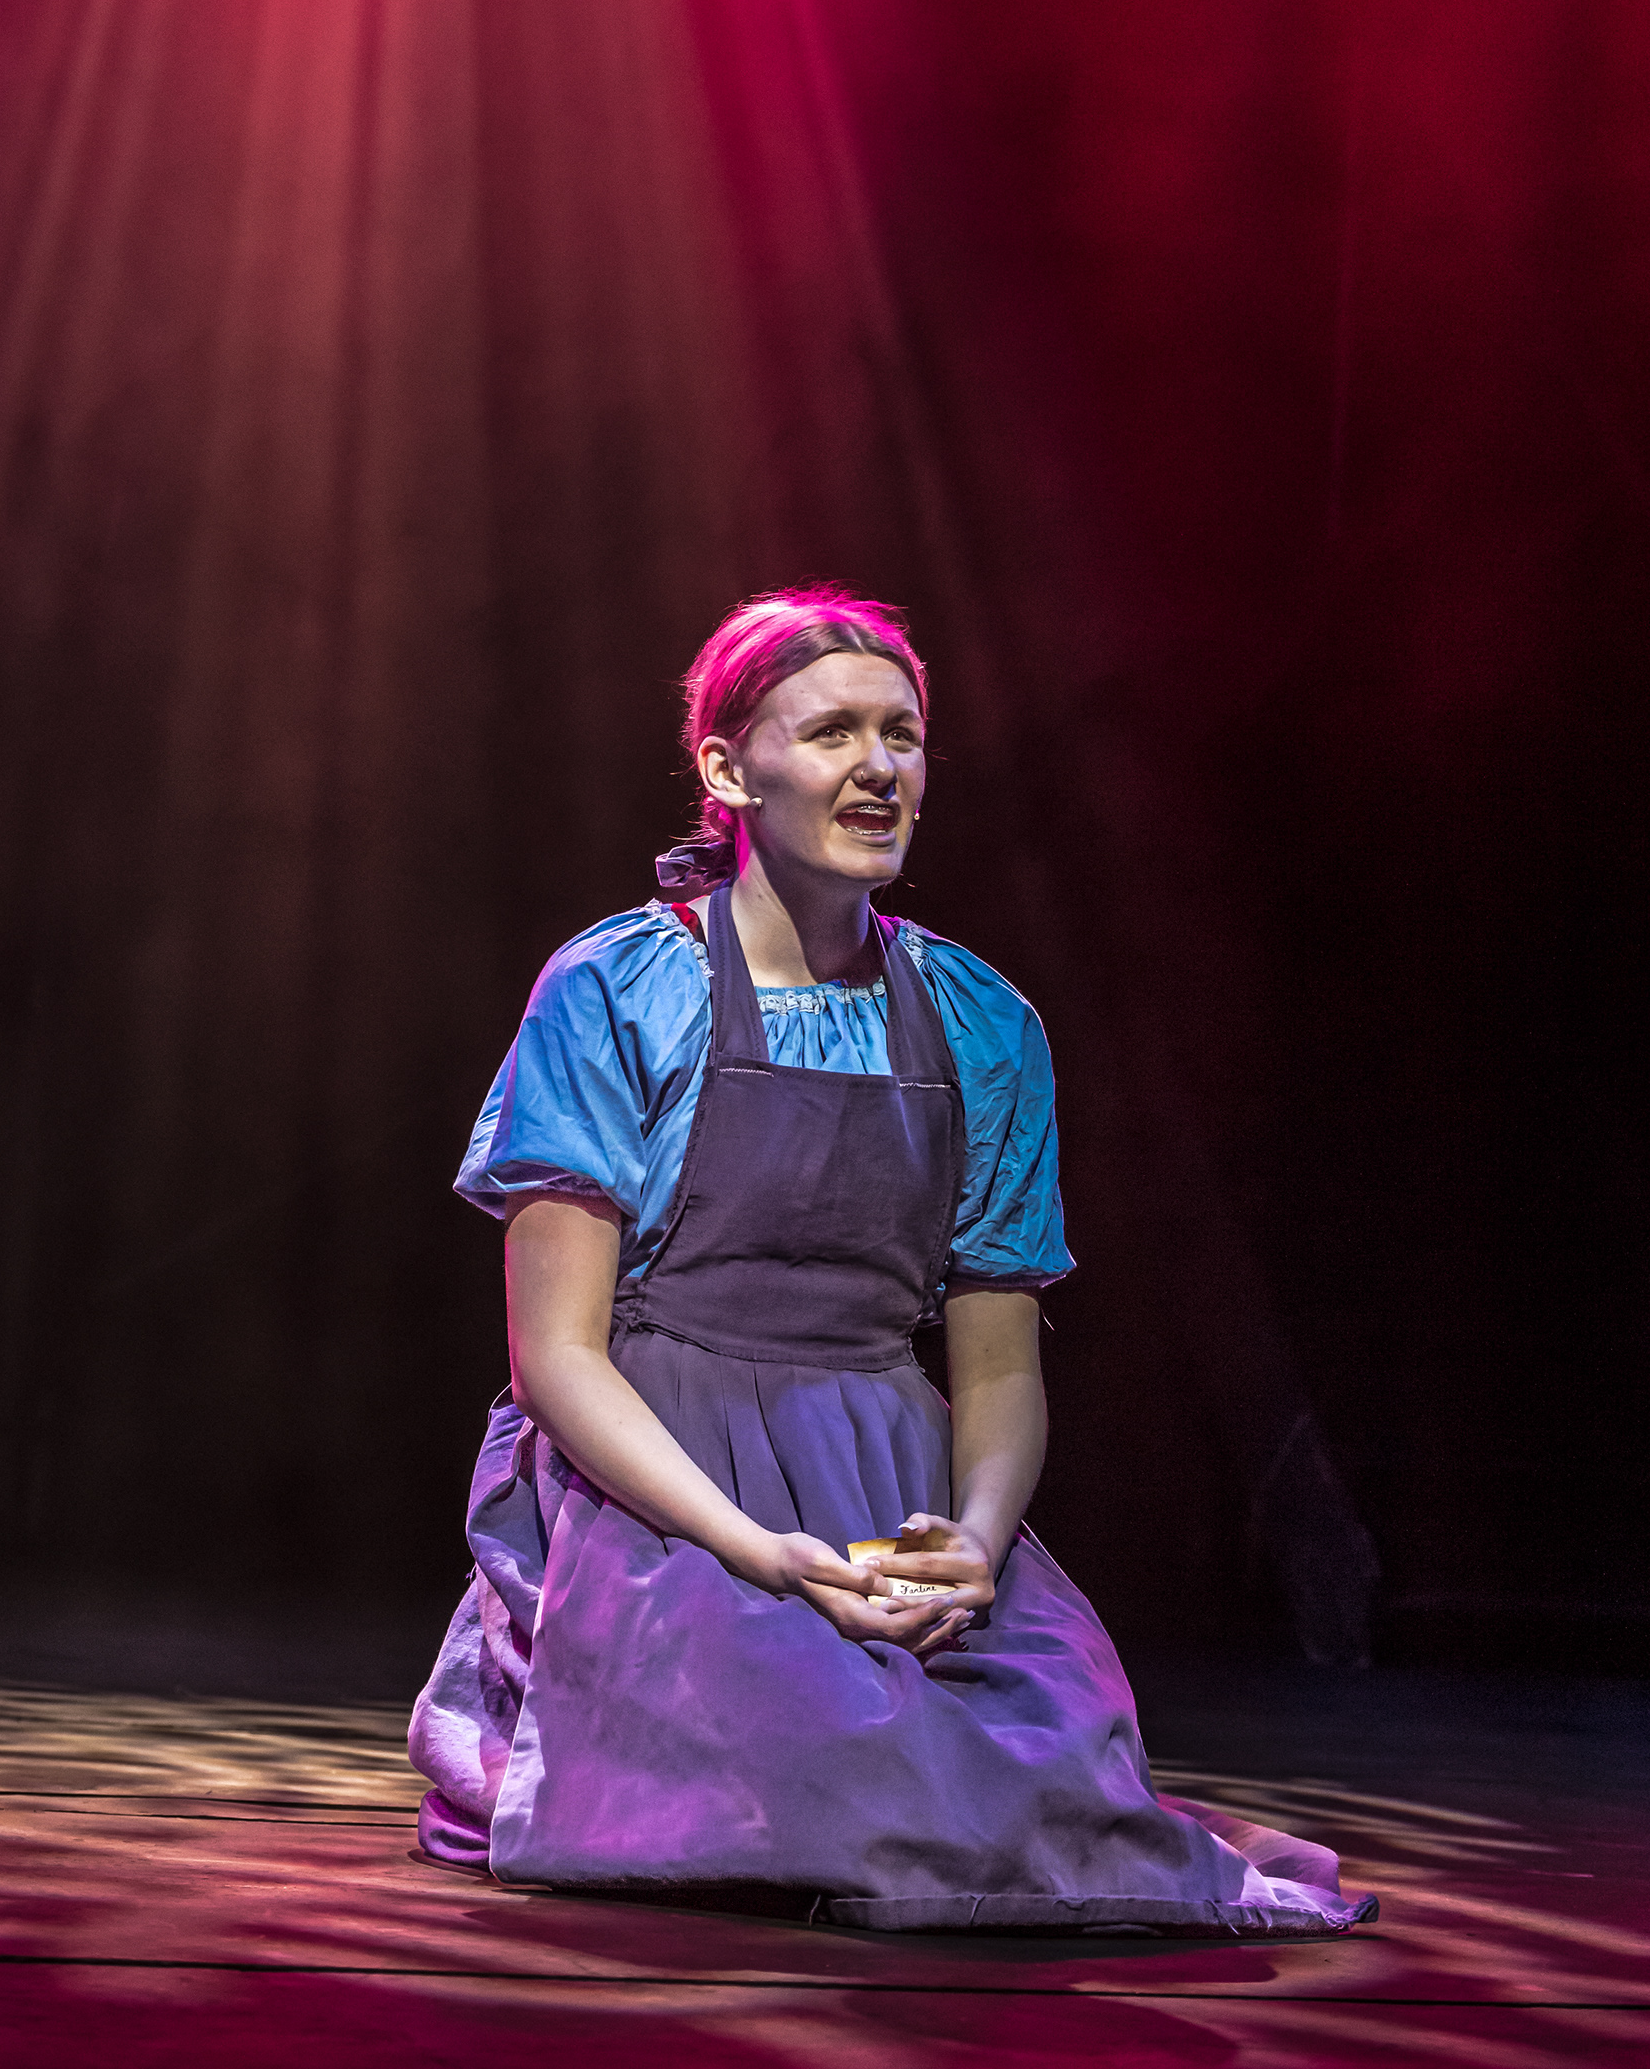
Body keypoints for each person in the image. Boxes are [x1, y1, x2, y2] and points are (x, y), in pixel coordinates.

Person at [409, 588, 1374, 1932]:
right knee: (814, 1759)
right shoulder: (618, 989)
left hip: (880, 1469)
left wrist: (974, 1543)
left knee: (1052, 1747)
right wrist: (756, 1551)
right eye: (833, 734)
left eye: (902, 735)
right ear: (728, 771)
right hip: (661, 1476)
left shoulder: (981, 1019)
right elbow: (557, 1357)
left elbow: (998, 1361)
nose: (879, 767)